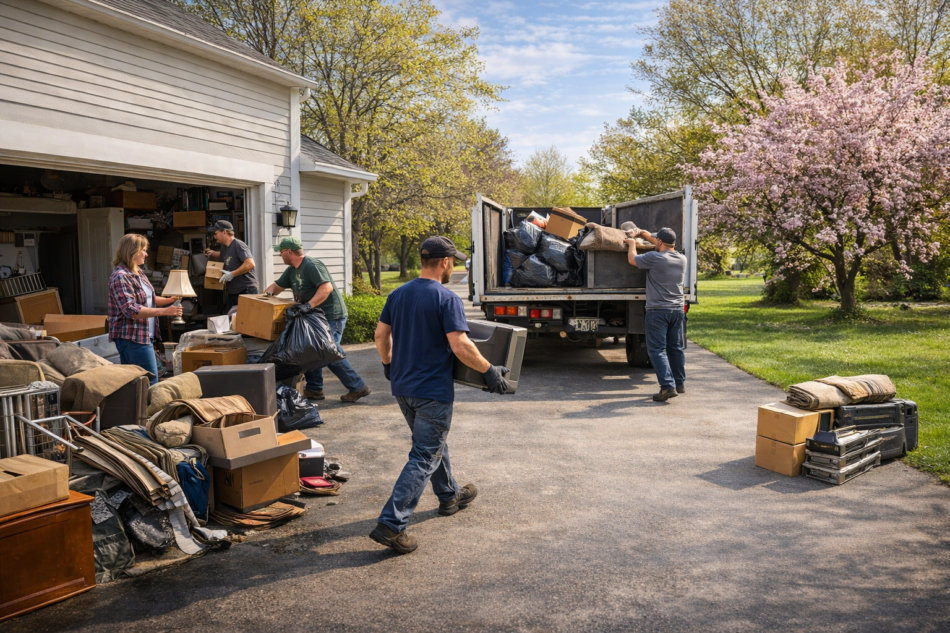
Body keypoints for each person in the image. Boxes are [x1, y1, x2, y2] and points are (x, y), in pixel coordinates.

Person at [369, 236, 511, 554]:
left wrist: (389, 365)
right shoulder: (446, 298)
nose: (454, 267)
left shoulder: (398, 293)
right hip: (432, 391)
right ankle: (391, 525)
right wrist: (489, 371)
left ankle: (449, 496)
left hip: (403, 388)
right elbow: (460, 345)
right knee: (423, 456)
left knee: (431, 446)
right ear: (444, 262)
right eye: (454, 262)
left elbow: (381, 335)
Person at [263, 236, 370, 402]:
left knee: (328, 352)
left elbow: (326, 288)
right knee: (309, 349)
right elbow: (276, 287)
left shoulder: (312, 265)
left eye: (281, 252)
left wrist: (308, 305)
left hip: (330, 315)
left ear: (290, 252)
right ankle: (314, 389)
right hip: (313, 316)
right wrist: (263, 299)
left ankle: (358, 387)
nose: (280, 256)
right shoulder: (292, 270)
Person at [108, 234, 182, 385]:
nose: (146, 254)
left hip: (142, 336)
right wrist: (165, 312)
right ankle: (147, 409)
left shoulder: (138, 273)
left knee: (140, 383)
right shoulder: (120, 277)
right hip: (132, 338)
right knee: (149, 382)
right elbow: (131, 309)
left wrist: (171, 300)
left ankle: (142, 408)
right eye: (143, 250)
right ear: (132, 252)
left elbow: (148, 300)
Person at [626, 227, 688, 402]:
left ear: (659, 242)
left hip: (658, 311)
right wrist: (644, 234)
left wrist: (632, 243)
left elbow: (632, 259)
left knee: (657, 350)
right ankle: (679, 383)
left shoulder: (654, 258)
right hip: (677, 310)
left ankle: (667, 387)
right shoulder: (682, 258)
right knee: (675, 348)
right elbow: (661, 245)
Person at [203, 220, 258, 311]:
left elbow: (250, 264)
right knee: (231, 319)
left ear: (224, 232)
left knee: (246, 320)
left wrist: (232, 274)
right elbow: (225, 255)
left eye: (216, 233)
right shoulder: (224, 246)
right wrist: (212, 253)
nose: (214, 236)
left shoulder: (238, 245)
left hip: (246, 290)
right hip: (233, 290)